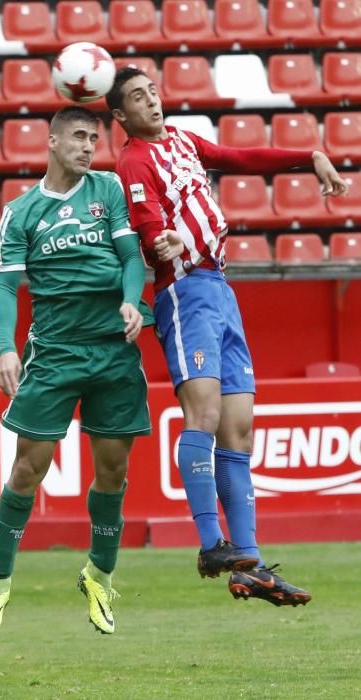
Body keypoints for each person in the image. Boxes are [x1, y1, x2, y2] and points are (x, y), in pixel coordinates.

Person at [106, 67, 349, 607]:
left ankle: (251, 565)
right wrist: (160, 241)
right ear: (121, 116)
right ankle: (211, 543)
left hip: (220, 289)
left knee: (239, 429)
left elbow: (238, 160)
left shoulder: (184, 141)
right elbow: (149, 229)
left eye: (152, 91)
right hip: (184, 290)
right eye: (138, 98)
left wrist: (307, 156)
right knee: (206, 416)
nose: (152, 101)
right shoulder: (134, 160)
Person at [0, 105, 154, 636]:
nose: (87, 146)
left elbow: (129, 257)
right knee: (28, 470)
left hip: (114, 350)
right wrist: (7, 349)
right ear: (51, 142)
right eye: (77, 137)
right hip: (54, 353)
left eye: (93, 138)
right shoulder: (21, 212)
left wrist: (129, 300)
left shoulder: (108, 191)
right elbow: (6, 286)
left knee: (114, 471)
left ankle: (98, 575)